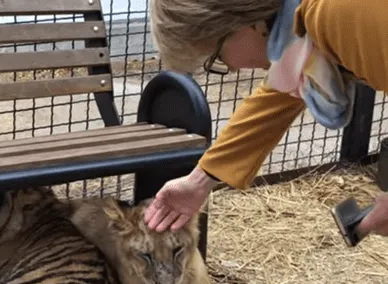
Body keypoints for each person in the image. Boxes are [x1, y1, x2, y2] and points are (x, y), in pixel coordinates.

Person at [143, 0, 388, 241]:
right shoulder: (301, 32)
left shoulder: (338, 12)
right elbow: (274, 100)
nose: (231, 69)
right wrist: (199, 181)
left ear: (239, 22)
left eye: (216, 57)